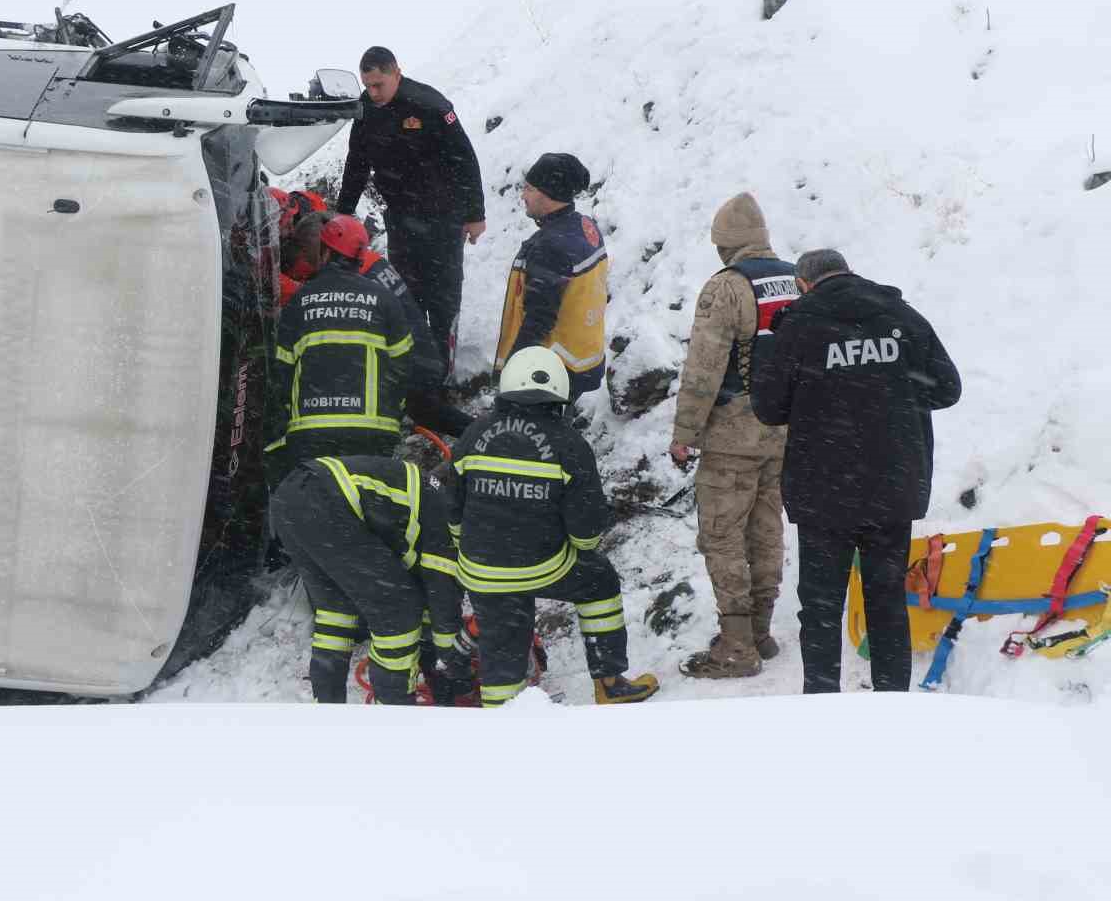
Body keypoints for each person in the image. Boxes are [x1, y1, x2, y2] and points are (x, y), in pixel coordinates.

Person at [752, 249, 961, 693]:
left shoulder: (799, 326)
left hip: (823, 489)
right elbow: (947, 388)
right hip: (892, 484)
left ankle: (823, 701)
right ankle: (891, 700)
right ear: (847, 271)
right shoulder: (902, 316)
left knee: (822, 606)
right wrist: (890, 394)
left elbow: (768, 409)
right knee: (886, 601)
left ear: (804, 284)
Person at [451, 346, 658, 706]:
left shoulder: (473, 434)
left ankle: (499, 711)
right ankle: (609, 683)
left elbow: (452, 510)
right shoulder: (569, 444)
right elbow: (586, 532)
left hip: (479, 568)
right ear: (559, 395)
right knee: (599, 579)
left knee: (503, 647)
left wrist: (473, 548)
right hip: (541, 565)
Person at [670, 192, 799, 679]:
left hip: (731, 435)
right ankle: (760, 632)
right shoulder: (796, 280)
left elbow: (703, 369)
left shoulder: (726, 287)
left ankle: (736, 646)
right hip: (784, 430)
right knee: (767, 531)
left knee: (723, 536)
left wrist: (685, 433)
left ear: (726, 245)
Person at [335, 46, 485, 382]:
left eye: (379, 85)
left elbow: (465, 159)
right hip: (402, 218)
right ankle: (416, 375)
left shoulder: (429, 105)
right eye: (367, 85)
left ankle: (442, 378)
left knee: (443, 300)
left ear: (396, 73)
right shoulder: (366, 110)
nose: (373, 93)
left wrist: (475, 214)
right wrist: (342, 214)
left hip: (444, 217)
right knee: (407, 298)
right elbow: (356, 165)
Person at [270, 456, 464, 704]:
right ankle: (392, 711)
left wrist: (440, 674)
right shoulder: (445, 513)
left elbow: (433, 608)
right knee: (398, 609)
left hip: (293, 498)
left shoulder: (431, 495)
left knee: (336, 614)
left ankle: (327, 709)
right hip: (326, 497)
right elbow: (442, 602)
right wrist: (455, 671)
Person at [265, 215, 423, 486]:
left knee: (318, 504)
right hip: (374, 434)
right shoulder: (384, 300)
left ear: (324, 253)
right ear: (359, 260)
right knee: (368, 506)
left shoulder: (300, 302)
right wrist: (391, 412)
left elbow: (281, 372)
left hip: (312, 434)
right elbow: (404, 366)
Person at [494, 152, 608, 398]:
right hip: (580, 359)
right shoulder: (585, 227)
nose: (523, 195)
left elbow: (539, 319)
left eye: (530, 189)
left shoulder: (550, 247)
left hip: (550, 372)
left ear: (550, 195)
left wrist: (515, 366)